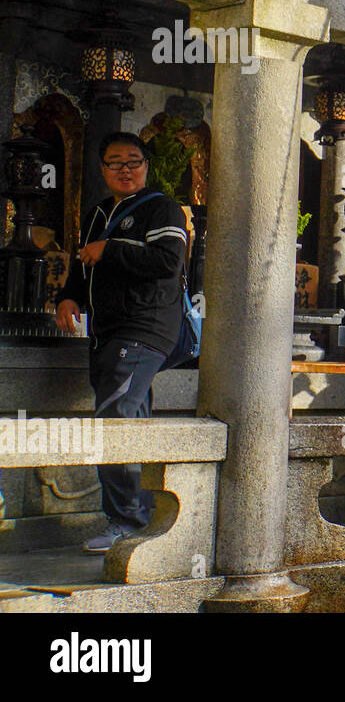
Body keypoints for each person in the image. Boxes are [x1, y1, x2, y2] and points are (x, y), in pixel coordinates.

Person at [54, 132, 188, 553]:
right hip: (108, 332)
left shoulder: (160, 207)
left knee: (114, 418)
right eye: (115, 163)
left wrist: (110, 248)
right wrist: (68, 296)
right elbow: (84, 261)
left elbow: (168, 262)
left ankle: (126, 521)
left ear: (146, 166)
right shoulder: (98, 212)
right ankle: (146, 520)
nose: (125, 169)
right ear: (103, 170)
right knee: (130, 418)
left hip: (145, 327)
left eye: (133, 161)